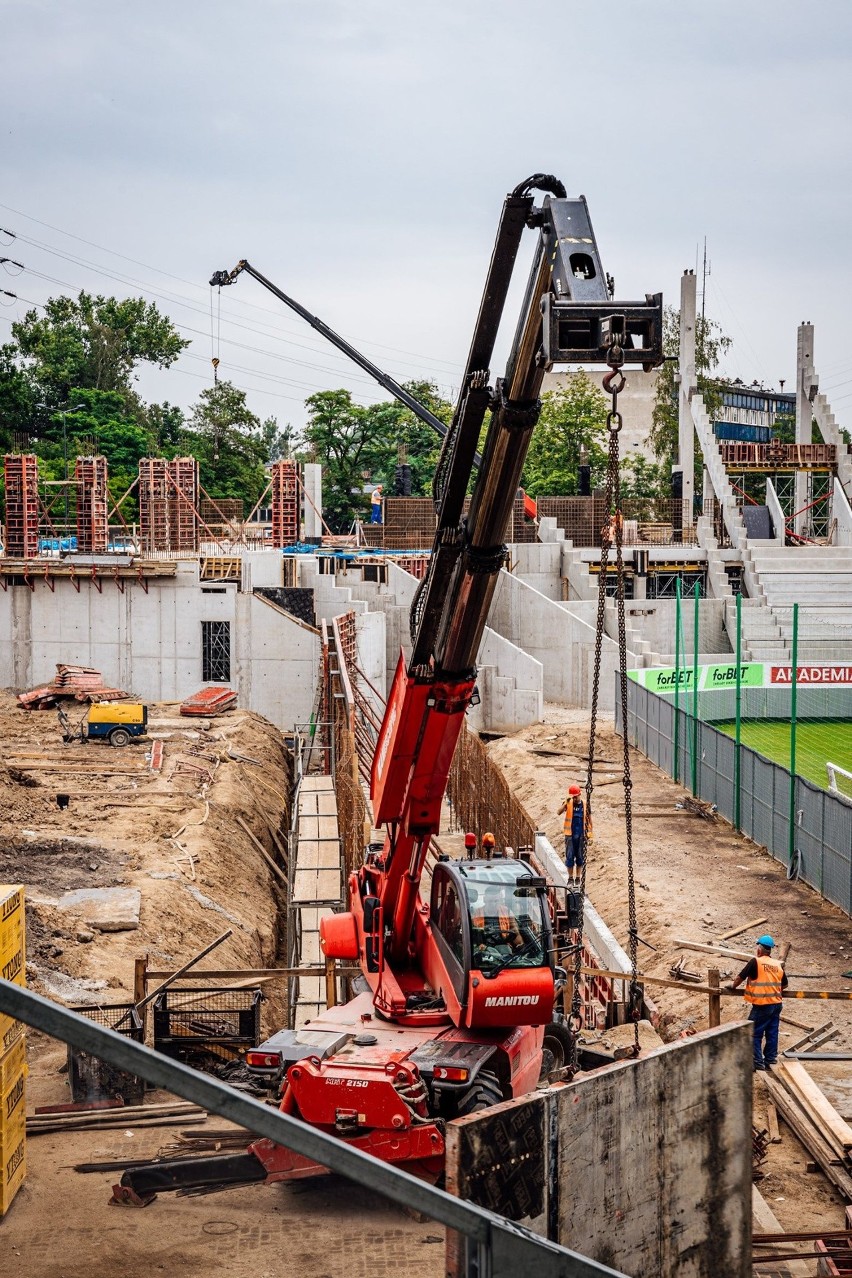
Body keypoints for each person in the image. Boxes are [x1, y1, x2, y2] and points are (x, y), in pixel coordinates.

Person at [730, 934, 788, 1072]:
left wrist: (732, 986)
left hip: (762, 1005)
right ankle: (770, 1060)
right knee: (772, 1032)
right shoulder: (777, 965)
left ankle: (757, 1063)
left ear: (759, 950)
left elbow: (740, 978)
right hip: (776, 1004)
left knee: (753, 1033)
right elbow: (784, 985)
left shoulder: (755, 962)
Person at [471, 884, 522, 952]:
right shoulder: (476, 914)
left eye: (496, 901)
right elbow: (471, 935)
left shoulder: (507, 912)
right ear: (484, 899)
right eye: (490, 901)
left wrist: (520, 945)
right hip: (484, 949)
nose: (493, 904)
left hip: (503, 948)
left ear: (500, 900)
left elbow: (515, 932)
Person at [557, 785, 591, 885]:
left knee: (580, 857)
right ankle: (570, 878)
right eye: (573, 797)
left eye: (576, 796)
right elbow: (558, 812)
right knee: (570, 856)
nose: (575, 798)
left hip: (581, 835)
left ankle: (578, 878)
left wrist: (590, 833)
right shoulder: (569, 803)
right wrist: (565, 803)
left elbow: (589, 820)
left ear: (580, 794)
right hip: (570, 835)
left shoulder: (585, 804)